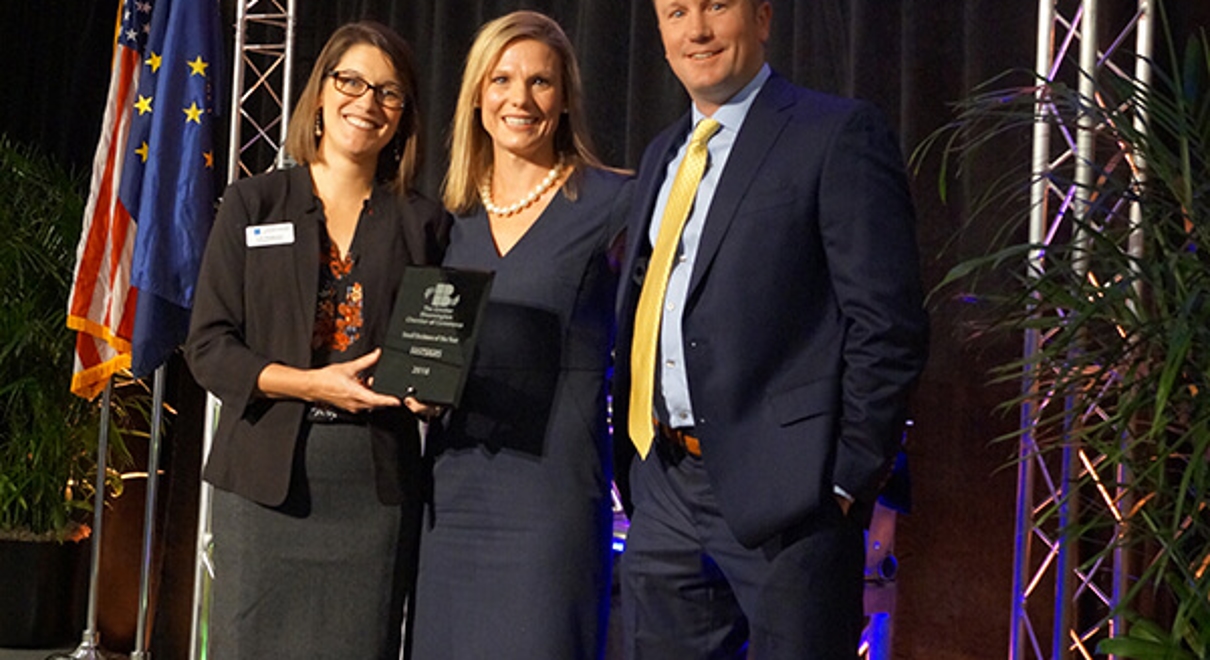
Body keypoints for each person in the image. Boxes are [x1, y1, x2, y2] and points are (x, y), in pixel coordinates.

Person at [612, 0, 930, 658]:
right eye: (676, 13)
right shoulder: (661, 154)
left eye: (715, 6)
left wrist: (846, 483)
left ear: (762, 16)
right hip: (664, 485)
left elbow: (888, 322)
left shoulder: (834, 132)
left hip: (793, 502)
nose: (695, 30)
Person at [185, 21, 449, 660]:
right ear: (321, 95)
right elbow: (209, 348)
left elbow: (433, 351)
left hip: (374, 487)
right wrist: (310, 384)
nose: (367, 102)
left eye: (389, 92)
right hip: (263, 482)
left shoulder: (424, 222)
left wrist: (430, 394)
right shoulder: (254, 202)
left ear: (405, 114)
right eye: (351, 81)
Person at [403, 10, 630, 660]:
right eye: (501, 79)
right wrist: (414, 390)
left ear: (564, 100)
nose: (519, 99)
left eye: (540, 82)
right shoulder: (449, 221)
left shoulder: (615, 201)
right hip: (452, 495)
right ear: (478, 96)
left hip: (552, 496)